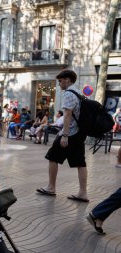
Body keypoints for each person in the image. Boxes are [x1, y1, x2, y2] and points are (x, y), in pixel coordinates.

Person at [36, 70, 89, 202]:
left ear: (68, 80)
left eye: (60, 81)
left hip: (69, 133)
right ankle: (83, 193)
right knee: (80, 162)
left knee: (52, 156)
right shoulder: (78, 93)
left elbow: (67, 115)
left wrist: (64, 135)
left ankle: (51, 187)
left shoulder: (69, 93)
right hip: (79, 133)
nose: (59, 84)